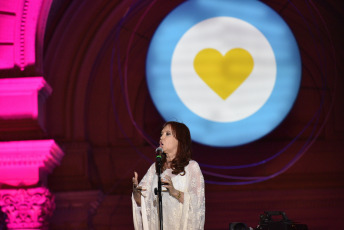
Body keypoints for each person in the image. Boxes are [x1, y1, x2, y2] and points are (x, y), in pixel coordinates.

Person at [132, 121, 205, 230]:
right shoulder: (155, 168)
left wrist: (174, 192)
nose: (162, 137)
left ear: (180, 140)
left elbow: (197, 204)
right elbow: (141, 202)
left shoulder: (191, 167)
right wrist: (136, 192)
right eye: (161, 134)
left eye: (167, 134)